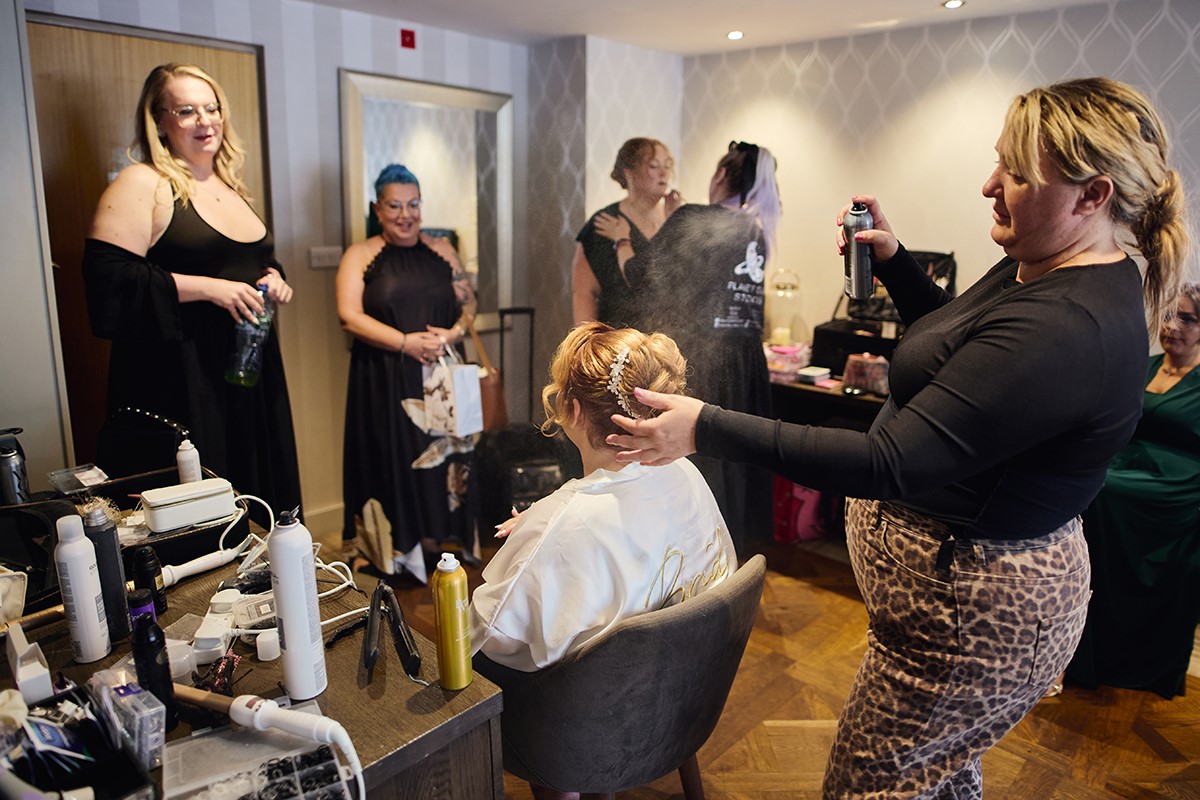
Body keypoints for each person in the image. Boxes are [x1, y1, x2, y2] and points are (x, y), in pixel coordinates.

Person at [606, 77, 1189, 798]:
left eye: (1012, 171)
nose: (988, 185)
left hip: (970, 621)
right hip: (936, 609)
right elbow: (969, 348)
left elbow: (890, 462)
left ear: (1092, 195)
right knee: (934, 780)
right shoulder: (1038, 267)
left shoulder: (1072, 328)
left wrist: (705, 424)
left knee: (872, 785)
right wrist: (894, 262)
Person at [83, 63, 301, 525]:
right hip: (183, 378)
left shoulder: (230, 185)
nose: (206, 121)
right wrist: (207, 290)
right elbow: (108, 280)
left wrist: (272, 275)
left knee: (256, 502)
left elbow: (238, 260)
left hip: (246, 372)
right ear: (159, 120)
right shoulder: (142, 183)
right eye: (187, 111)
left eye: (212, 108)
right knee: (203, 514)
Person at [471, 322, 737, 673]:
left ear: (575, 411)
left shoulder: (564, 527)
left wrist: (543, 538)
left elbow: (488, 636)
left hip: (581, 717)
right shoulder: (684, 471)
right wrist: (548, 530)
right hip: (687, 686)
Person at [593, 141, 782, 554]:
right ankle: (736, 560)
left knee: (702, 461)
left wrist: (625, 240)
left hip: (708, 363)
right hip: (749, 365)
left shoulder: (694, 217)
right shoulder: (755, 231)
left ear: (720, 176)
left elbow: (643, 278)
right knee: (737, 459)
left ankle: (695, 557)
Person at [337, 164, 478, 581]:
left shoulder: (443, 251)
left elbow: (469, 304)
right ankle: (397, 549)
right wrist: (404, 342)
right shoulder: (360, 255)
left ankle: (439, 538)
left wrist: (452, 332)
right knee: (392, 458)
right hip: (385, 375)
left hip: (443, 375)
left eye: (413, 204)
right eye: (394, 205)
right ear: (377, 208)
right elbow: (348, 316)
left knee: (441, 459)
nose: (405, 214)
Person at [1066, 282, 1200, 699]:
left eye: (1187, 318)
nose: (1172, 325)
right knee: (1085, 486)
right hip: (1125, 471)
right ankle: (1085, 652)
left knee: (1101, 493)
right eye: (1167, 314)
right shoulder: (1145, 365)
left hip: (1179, 490)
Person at [572, 137, 680, 326]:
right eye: (654, 166)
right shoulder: (604, 223)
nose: (664, 173)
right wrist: (586, 344)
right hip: (619, 338)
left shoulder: (678, 218)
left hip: (670, 340)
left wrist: (677, 220)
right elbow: (583, 292)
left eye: (668, 165)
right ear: (629, 174)